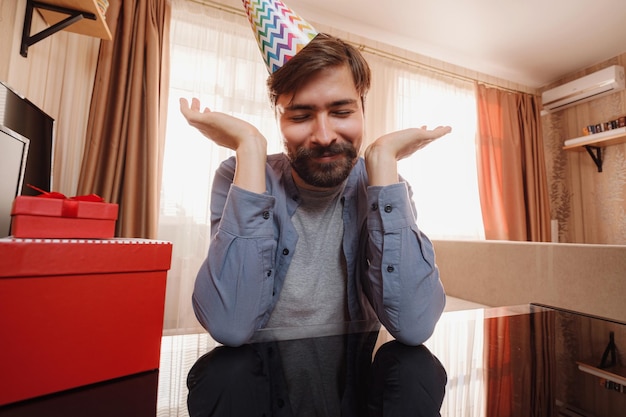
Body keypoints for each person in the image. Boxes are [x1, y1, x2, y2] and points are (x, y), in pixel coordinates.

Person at [180, 3, 451, 348]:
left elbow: (415, 326)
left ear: (363, 111)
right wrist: (248, 146)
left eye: (341, 111)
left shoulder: (384, 186)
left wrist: (383, 159)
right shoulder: (238, 174)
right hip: (259, 386)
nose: (324, 135)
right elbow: (229, 325)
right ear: (278, 118)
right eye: (300, 115)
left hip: (352, 389)